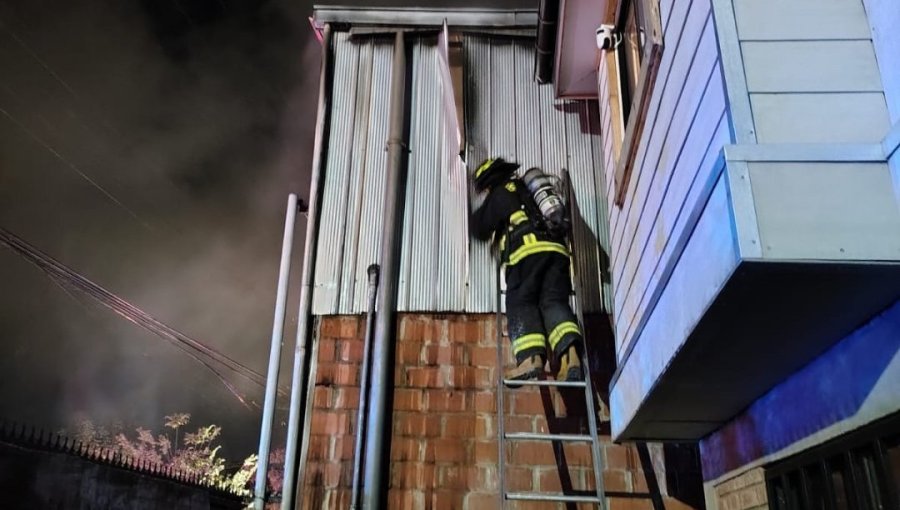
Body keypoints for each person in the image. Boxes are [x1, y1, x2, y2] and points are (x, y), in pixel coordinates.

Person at [470, 157, 583, 382]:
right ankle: (571, 357)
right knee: (553, 302)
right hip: (557, 252)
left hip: (526, 254)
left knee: (520, 301)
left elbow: (479, 229)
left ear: (489, 182)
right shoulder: (531, 190)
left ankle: (531, 359)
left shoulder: (500, 193)